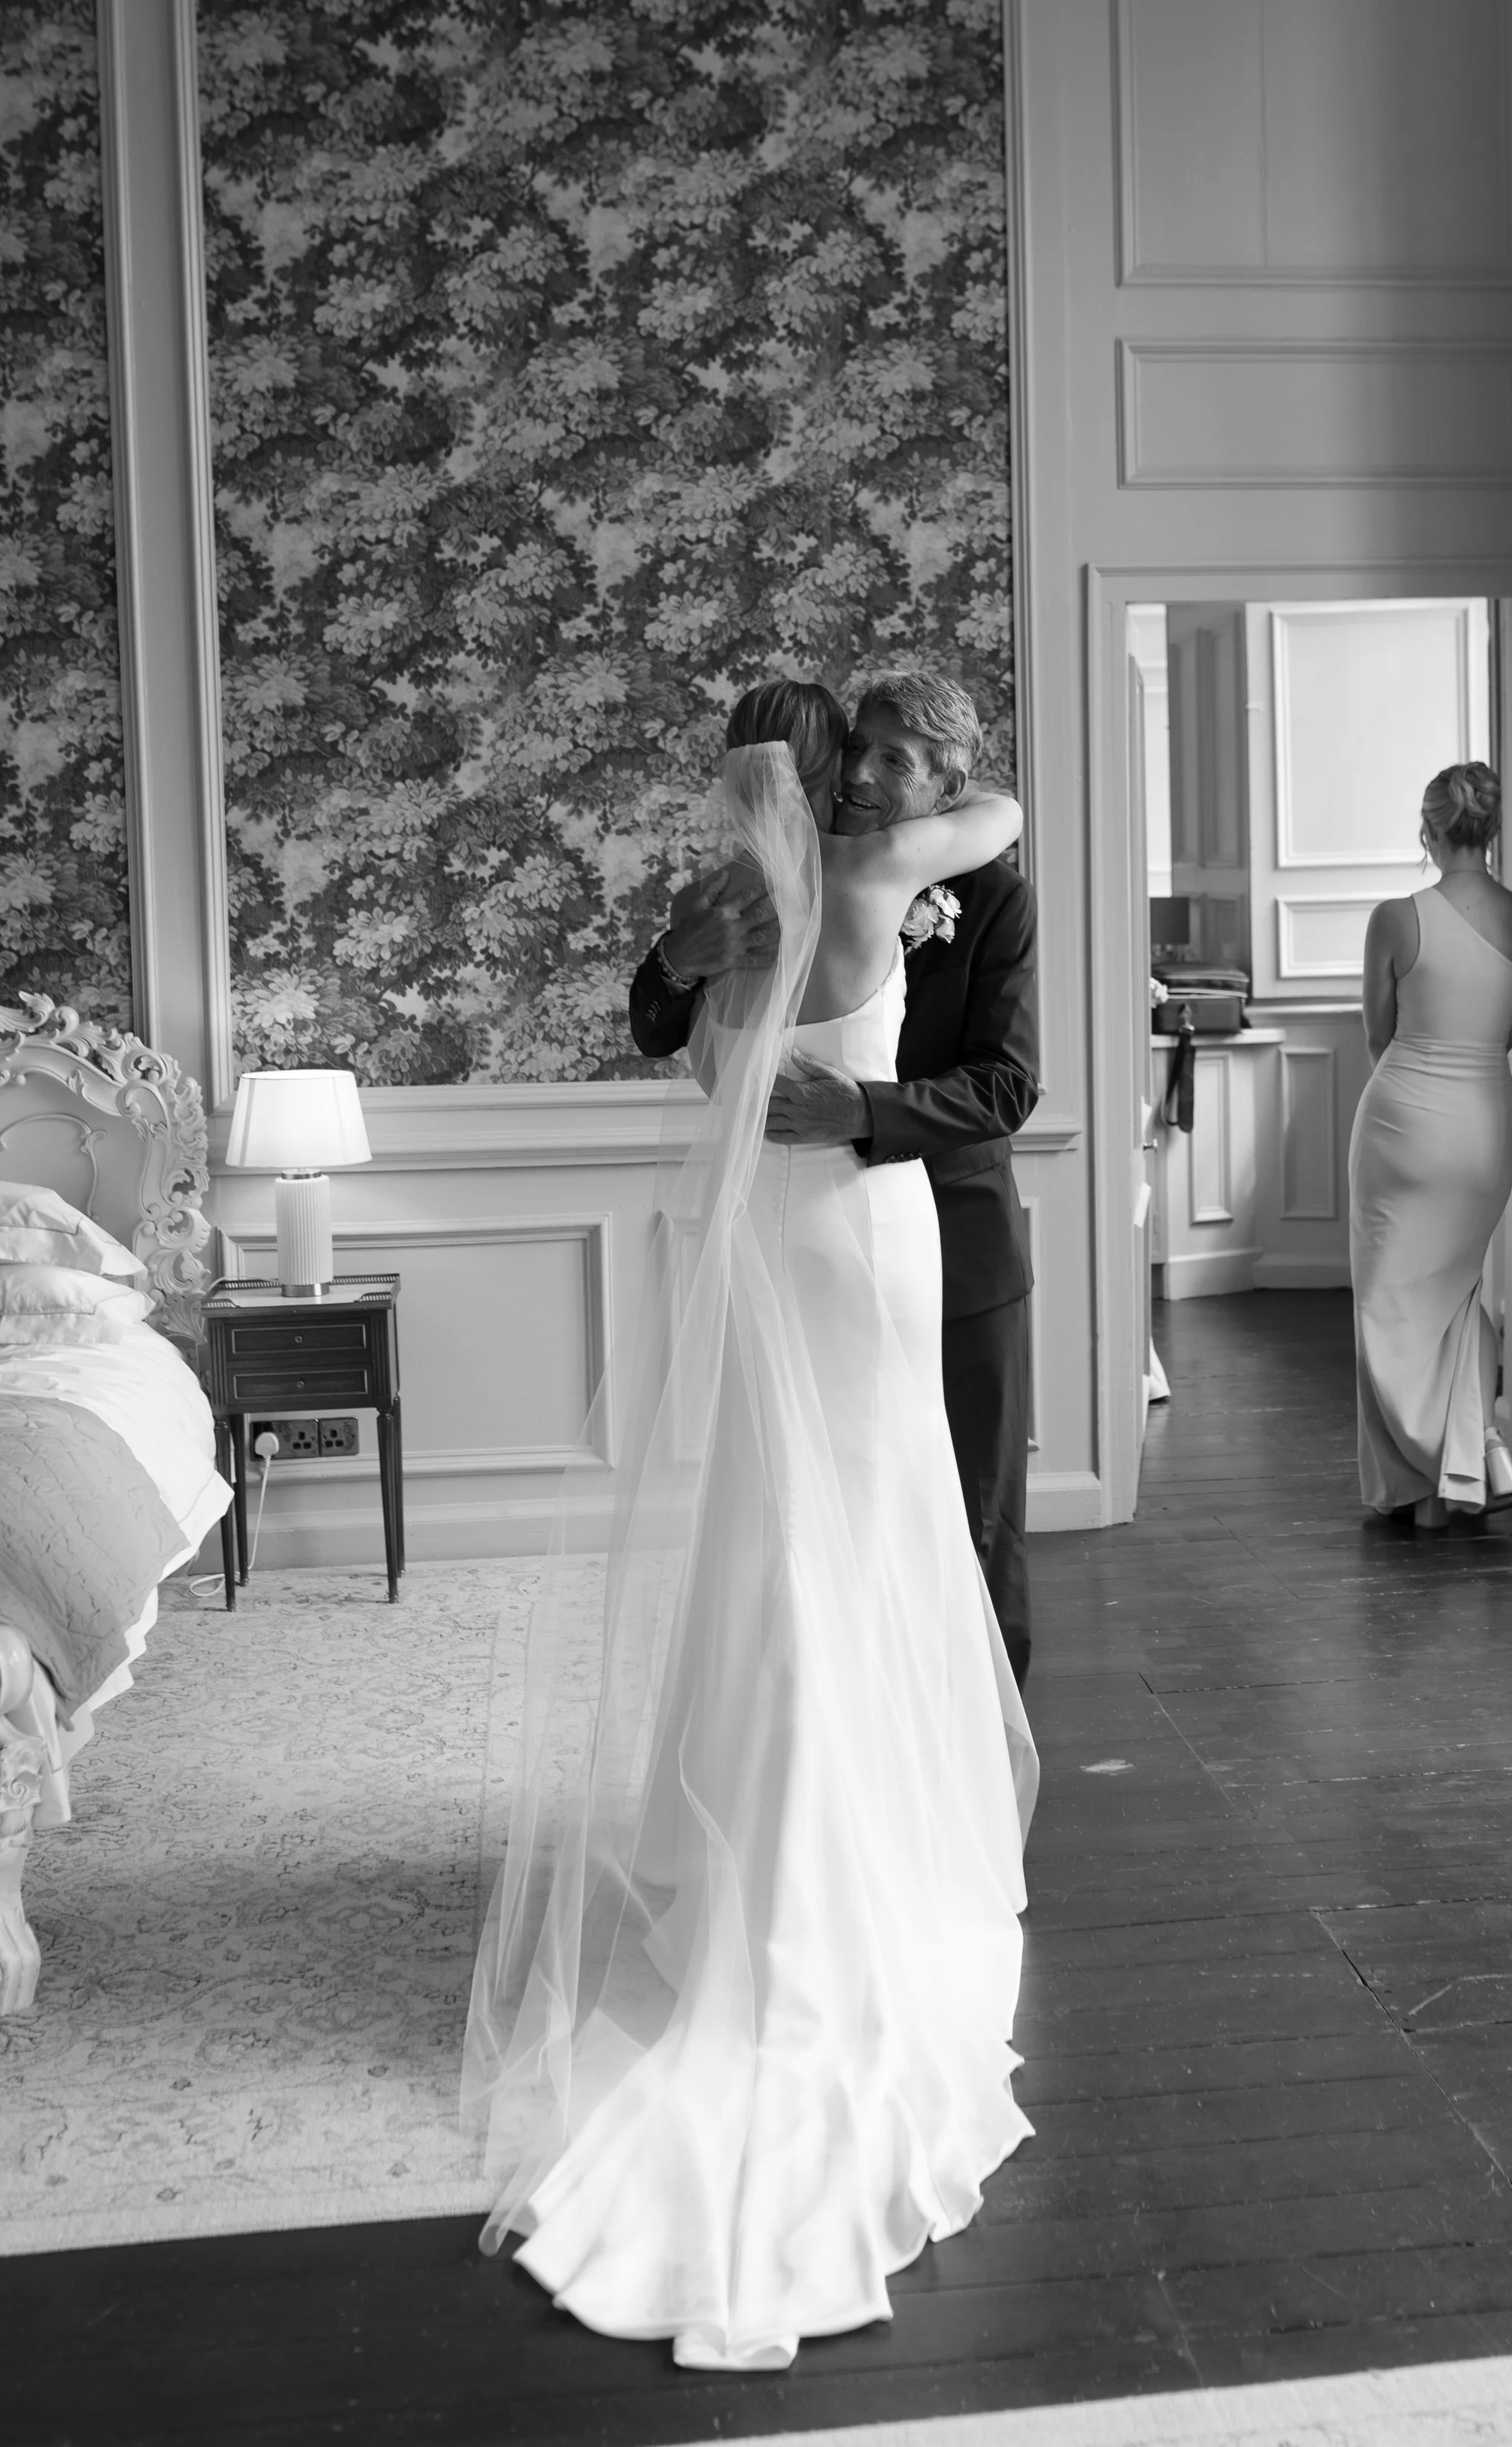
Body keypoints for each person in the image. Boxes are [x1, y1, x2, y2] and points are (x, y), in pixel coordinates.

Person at [464, 684, 1038, 2372]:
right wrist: (917, 817)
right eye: (848, 759)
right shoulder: (868, 884)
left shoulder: (729, 914)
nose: (867, 781)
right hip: (860, 1252)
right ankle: (871, 1861)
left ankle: (780, 1852)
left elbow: (965, 1058)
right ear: (829, 775)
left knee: (800, 1552)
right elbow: (989, 819)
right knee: (859, 1551)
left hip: (796, 1248)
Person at [630, 672, 1040, 1685]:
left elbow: (1007, 1085)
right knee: (814, 1506)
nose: (861, 771)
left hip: (958, 1247)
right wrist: (677, 961)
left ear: (949, 779)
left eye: (893, 758)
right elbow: (654, 1024)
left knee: (965, 1519)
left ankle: (974, 1773)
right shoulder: (759, 888)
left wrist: (860, 1111)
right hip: (817, 1247)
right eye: (856, 747)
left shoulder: (993, 898)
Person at [1349, 761, 1512, 1532]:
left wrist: (1413, 1092)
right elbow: (1506, 1031)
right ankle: (1459, 1474)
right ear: (1490, 829)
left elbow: (1378, 1032)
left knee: (1387, 1304)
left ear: (1428, 829)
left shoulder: (1396, 917)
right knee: (1458, 1293)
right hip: (1484, 1118)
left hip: (1403, 1118)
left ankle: (1418, 1479)